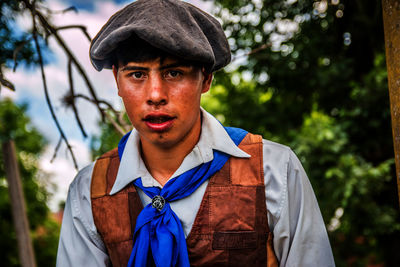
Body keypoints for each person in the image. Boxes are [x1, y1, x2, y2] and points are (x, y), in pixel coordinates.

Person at [56, 0, 335, 266]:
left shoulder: (274, 171)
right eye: (137, 75)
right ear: (117, 79)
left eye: (174, 73)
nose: (155, 95)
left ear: (206, 78)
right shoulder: (88, 191)